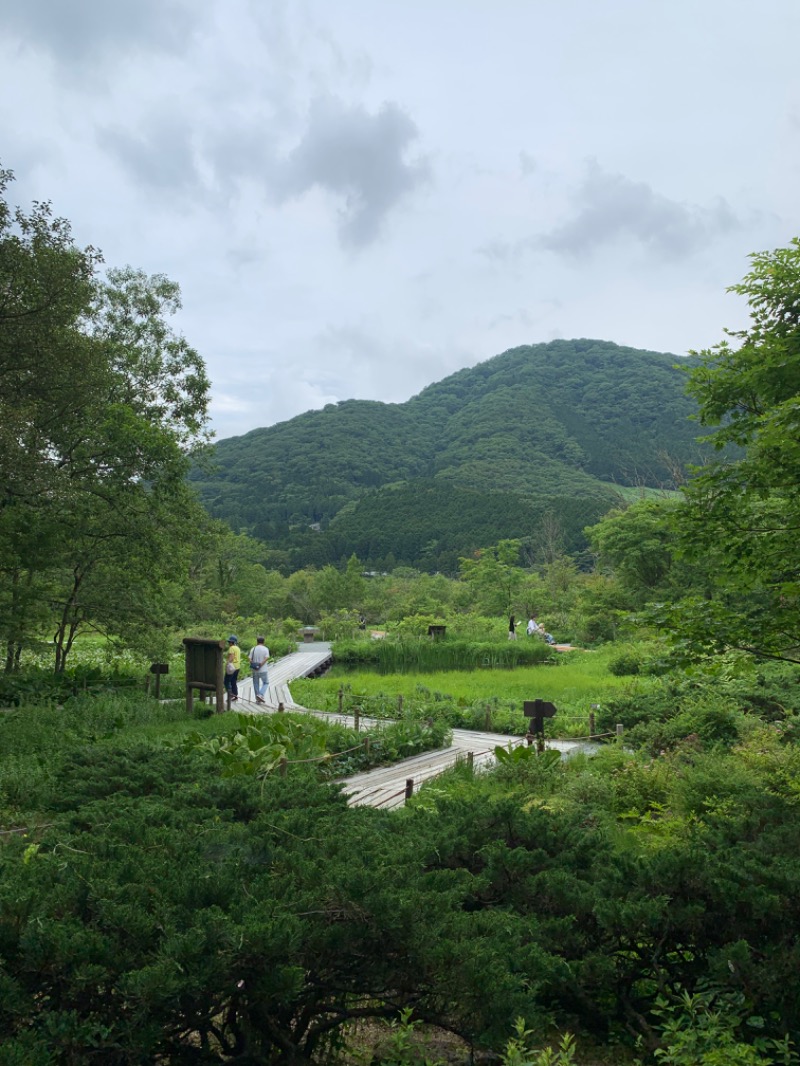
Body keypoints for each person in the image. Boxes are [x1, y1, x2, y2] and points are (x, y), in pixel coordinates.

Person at [248, 635, 270, 704]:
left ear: (257, 642)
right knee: (266, 682)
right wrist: (260, 665)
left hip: (255, 670)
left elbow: (249, 659)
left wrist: (254, 664)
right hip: (263, 670)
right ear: (263, 642)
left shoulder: (253, 649)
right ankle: (260, 694)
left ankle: (258, 699)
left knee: (256, 683)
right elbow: (266, 658)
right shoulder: (265, 649)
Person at [224, 635, 241, 702]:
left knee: (226, 681)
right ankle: (235, 695)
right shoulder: (237, 648)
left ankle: (230, 695)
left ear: (232, 642)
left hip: (232, 667)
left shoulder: (231, 648)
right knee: (233, 681)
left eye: (229, 642)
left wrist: (227, 663)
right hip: (237, 667)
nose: (229, 643)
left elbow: (231, 657)